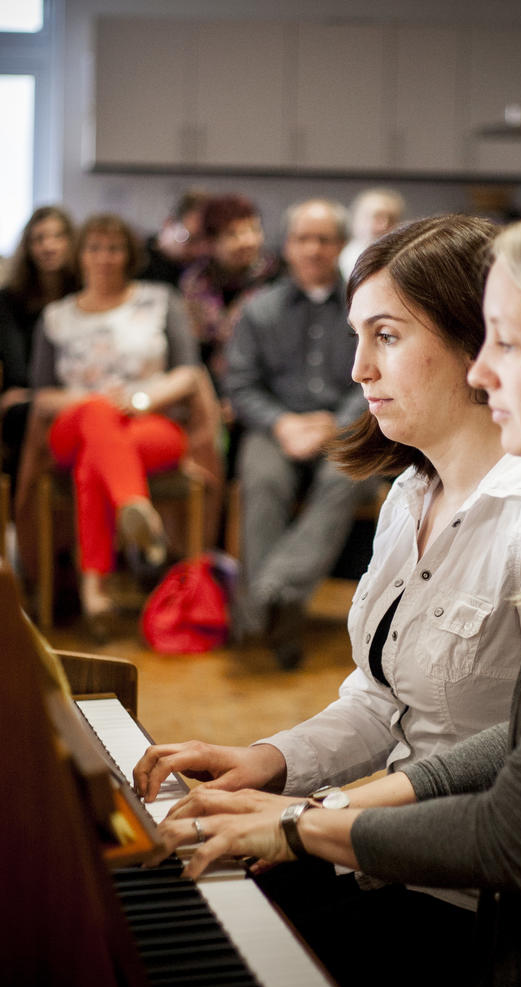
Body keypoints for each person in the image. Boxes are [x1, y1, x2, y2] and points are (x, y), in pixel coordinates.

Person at [144, 203, 521, 987]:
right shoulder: (412, 491)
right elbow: (458, 720)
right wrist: (285, 776)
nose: (485, 369)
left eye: (509, 341)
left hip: (471, 894)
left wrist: (305, 820)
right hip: (390, 847)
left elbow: (520, 812)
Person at [26, 212, 206, 639]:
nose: (104, 257)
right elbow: (42, 394)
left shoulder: (160, 300)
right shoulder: (56, 316)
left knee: (97, 458)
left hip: (149, 423)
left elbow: (188, 374)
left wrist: (141, 399)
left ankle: (95, 587)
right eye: (94, 247)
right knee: (95, 416)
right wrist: (94, 405)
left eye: (114, 247)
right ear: (79, 255)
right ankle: (133, 505)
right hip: (74, 423)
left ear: (128, 254)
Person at [224, 197, 379, 670]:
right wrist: (282, 423)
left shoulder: (365, 307)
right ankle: (280, 620)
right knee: (264, 480)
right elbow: (240, 384)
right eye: (303, 239)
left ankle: (273, 593)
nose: (313, 248)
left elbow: (376, 371)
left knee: (348, 476)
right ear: (287, 247)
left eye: (324, 239)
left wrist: (333, 424)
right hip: (275, 428)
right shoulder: (259, 310)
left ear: (339, 246)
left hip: (343, 427)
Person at [0, 206, 78, 495]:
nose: (49, 246)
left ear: (72, 242)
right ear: (28, 247)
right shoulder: (9, 300)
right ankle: (32, 515)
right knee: (27, 413)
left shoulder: (84, 293)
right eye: (40, 239)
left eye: (58, 237)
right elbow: (18, 369)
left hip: (77, 392)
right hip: (30, 397)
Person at [179, 192, 279, 395]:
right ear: (211, 241)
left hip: (267, 386)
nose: (247, 241)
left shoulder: (276, 278)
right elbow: (195, 352)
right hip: (210, 389)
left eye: (253, 230)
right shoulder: (194, 284)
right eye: (233, 234)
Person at [138, 189, 209, 287]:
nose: (198, 250)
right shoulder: (142, 257)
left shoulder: (204, 268)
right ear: (168, 224)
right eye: (190, 239)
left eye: (201, 239)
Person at [338, 186, 406, 281]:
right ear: (356, 221)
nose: (383, 225)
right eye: (376, 217)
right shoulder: (337, 261)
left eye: (391, 219)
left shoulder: (405, 262)